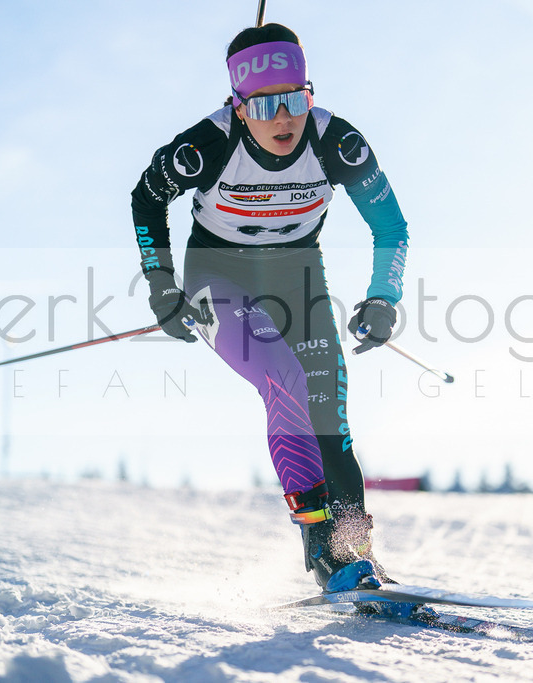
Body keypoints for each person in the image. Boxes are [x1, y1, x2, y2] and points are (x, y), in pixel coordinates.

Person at [129, 23, 409, 595]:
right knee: (284, 378)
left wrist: (384, 297)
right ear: (238, 105)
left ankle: (356, 552)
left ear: (310, 93)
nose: (283, 119)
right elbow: (147, 197)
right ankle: (323, 548)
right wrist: (161, 283)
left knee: (329, 414)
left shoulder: (337, 142)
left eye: (295, 101)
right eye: (263, 105)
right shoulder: (207, 145)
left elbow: (391, 226)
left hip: (296, 275)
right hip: (218, 276)